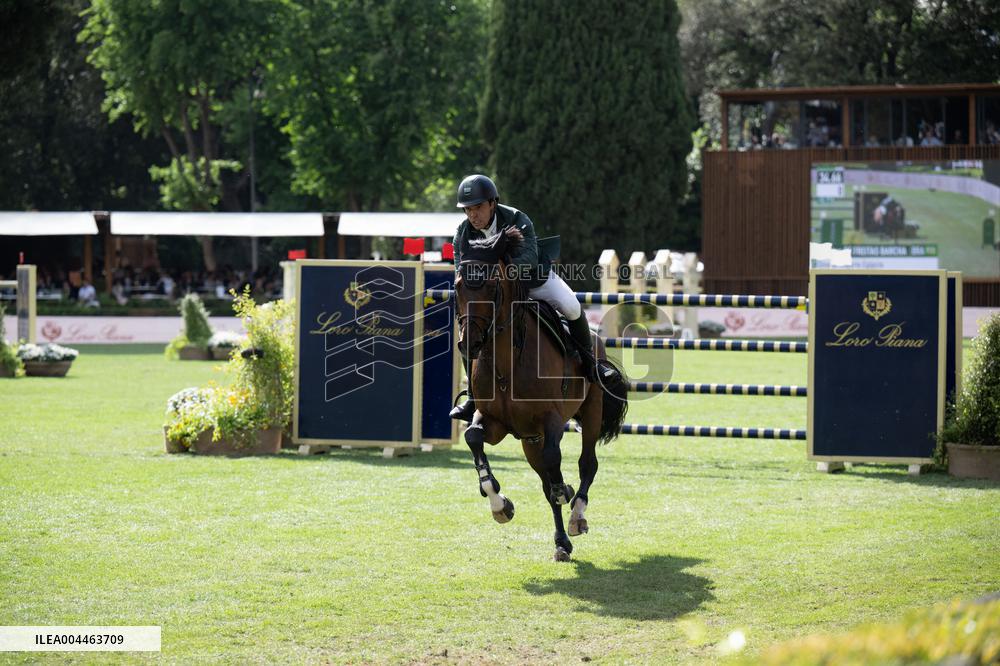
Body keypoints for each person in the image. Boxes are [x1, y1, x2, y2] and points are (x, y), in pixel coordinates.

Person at [449, 174, 594, 422]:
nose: (473, 215)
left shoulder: (516, 218)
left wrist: (497, 273)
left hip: (533, 280)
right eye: (468, 210)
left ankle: (592, 365)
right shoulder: (462, 232)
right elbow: (461, 270)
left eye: (478, 207)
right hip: (494, 294)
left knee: (571, 306)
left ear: (492, 203)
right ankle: (474, 397)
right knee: (468, 328)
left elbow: (527, 259)